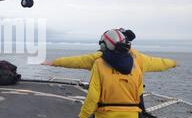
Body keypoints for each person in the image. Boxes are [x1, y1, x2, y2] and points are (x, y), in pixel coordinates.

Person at [41, 28, 177, 111]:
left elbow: (76, 61)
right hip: (133, 109)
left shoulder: (99, 58)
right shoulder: (138, 58)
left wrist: (54, 62)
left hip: (106, 111)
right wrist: (174, 63)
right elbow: (160, 63)